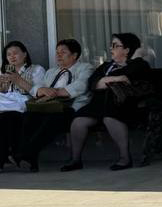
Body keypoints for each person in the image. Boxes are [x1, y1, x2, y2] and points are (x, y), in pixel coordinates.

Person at [62, 33, 151, 171]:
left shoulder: (139, 65)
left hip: (123, 105)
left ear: (127, 50)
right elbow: (93, 83)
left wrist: (107, 79)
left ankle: (125, 158)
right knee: (79, 120)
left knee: (110, 117)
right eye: (111, 45)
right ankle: (75, 159)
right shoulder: (106, 66)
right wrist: (116, 79)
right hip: (98, 105)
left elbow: (128, 76)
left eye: (115, 45)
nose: (111, 48)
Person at [9, 39, 93, 172]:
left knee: (52, 119)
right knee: (28, 116)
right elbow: (39, 89)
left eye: (63, 52)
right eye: (57, 52)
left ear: (74, 55)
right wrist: (42, 91)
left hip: (71, 108)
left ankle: (23, 154)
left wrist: (55, 92)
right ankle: (29, 159)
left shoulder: (85, 68)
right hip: (49, 106)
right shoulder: (51, 72)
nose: (58, 55)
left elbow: (81, 86)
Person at [0, 41, 46, 168]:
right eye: (8, 54)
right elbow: (4, 92)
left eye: (15, 53)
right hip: (6, 103)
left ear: (25, 54)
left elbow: (39, 92)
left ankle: (5, 158)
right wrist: (2, 86)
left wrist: (18, 80)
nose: (12, 57)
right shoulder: (4, 71)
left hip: (24, 104)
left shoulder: (36, 69)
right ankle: (8, 157)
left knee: (6, 118)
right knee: (5, 118)